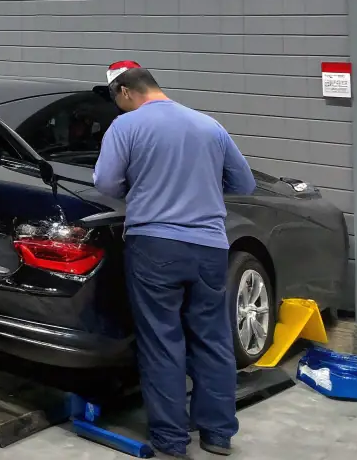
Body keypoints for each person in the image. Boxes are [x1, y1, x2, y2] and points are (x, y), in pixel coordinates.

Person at [93, 61, 257, 460]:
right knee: (213, 338)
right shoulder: (208, 125)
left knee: (162, 341)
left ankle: (171, 441)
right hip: (210, 247)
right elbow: (245, 183)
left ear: (126, 92)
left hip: (156, 246)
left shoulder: (126, 127)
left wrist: (144, 182)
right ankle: (218, 434)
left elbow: (106, 183)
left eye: (116, 100)